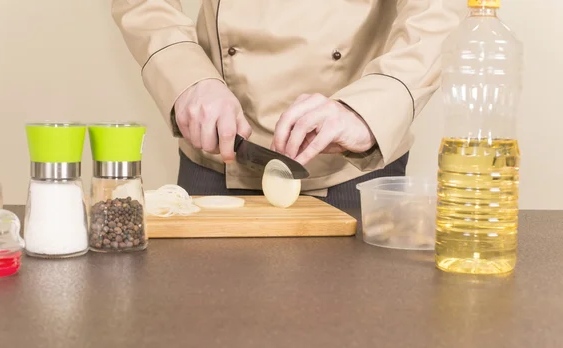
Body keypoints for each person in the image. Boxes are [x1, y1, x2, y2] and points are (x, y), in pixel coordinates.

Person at [112, 1, 464, 210]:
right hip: (216, 151)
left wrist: (371, 106)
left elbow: (438, 10)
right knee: (208, 326)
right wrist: (185, 75)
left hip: (351, 171)